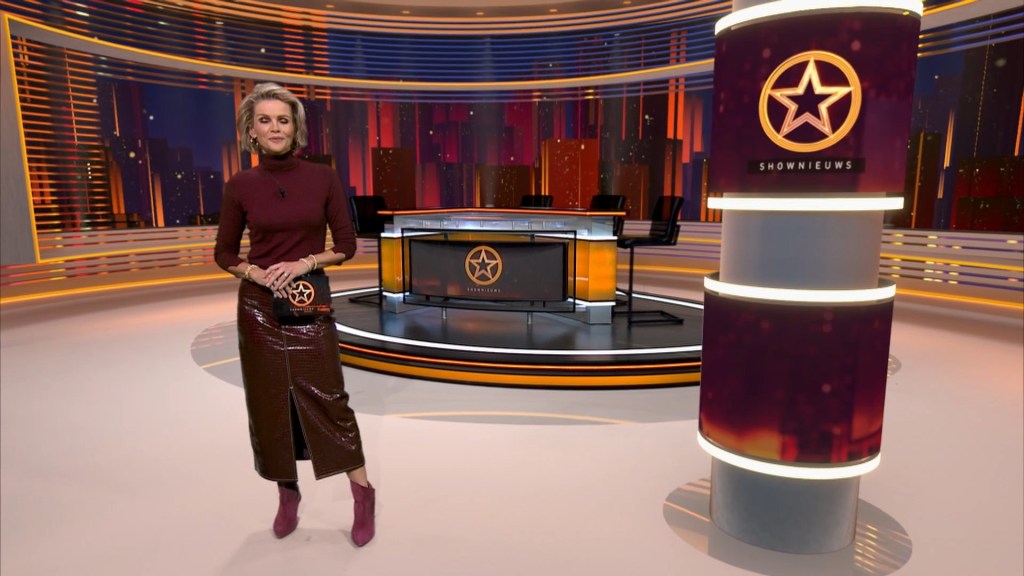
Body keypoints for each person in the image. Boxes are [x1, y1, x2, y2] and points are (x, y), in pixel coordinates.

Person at [214, 82, 375, 546]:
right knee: (270, 404)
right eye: (265, 120)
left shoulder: (323, 177)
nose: (274, 128)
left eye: (282, 120)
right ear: (252, 130)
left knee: (328, 398)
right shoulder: (240, 185)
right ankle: (287, 494)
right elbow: (224, 253)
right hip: (259, 308)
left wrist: (304, 263)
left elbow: (345, 245)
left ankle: (362, 494)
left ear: (295, 128)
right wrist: (257, 274)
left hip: (307, 300)